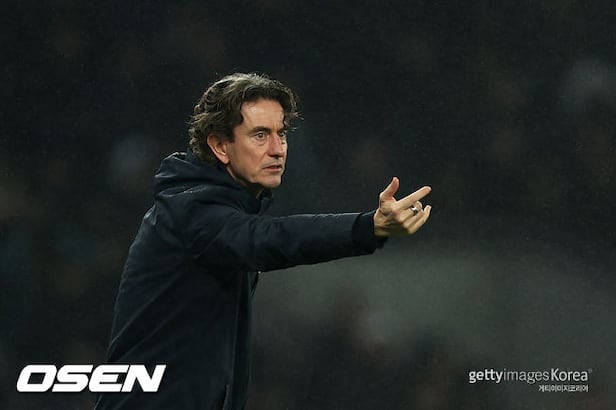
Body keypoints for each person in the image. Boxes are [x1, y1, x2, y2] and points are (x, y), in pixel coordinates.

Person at [94, 72, 432, 410]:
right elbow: (268, 239)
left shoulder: (213, 207)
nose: (277, 149)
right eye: (260, 135)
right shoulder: (191, 211)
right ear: (220, 146)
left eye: (280, 134)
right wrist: (367, 226)